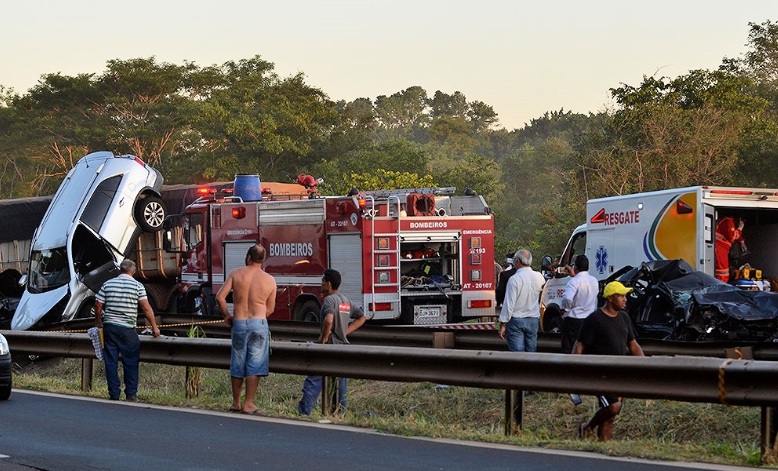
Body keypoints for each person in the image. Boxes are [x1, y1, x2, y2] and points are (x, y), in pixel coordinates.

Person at [574, 281, 644, 441]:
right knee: (613, 406)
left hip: (618, 373)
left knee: (611, 415)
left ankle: (604, 445)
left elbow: (633, 345)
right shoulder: (595, 319)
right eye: (621, 296)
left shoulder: (624, 318)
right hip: (600, 373)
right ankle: (587, 427)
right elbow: (580, 345)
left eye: (625, 296)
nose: (625, 299)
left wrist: (645, 365)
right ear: (610, 298)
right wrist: (575, 370)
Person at [216, 244, 276, 415]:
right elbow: (270, 309)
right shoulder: (270, 280)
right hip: (259, 323)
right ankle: (249, 403)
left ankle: (236, 402)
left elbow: (220, 297)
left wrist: (227, 315)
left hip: (240, 323)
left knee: (238, 360)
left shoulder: (236, 274)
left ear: (248, 257)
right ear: (262, 260)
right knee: (254, 363)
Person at [298, 268, 366, 415]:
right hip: (342, 348)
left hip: (329, 347)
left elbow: (329, 320)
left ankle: (305, 411)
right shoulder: (345, 301)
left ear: (328, 284)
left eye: (322, 281)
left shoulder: (329, 300)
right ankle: (340, 413)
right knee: (340, 383)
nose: (321, 284)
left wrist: (324, 337)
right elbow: (362, 317)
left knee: (314, 379)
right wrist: (345, 331)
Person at [94, 259, 160, 401]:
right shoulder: (138, 286)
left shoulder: (108, 284)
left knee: (110, 361)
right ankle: (130, 394)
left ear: (120, 270)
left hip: (110, 328)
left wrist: (99, 321)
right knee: (130, 361)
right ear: (134, 271)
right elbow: (146, 308)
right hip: (128, 329)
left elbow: (98, 305)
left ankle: (114, 393)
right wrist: (154, 327)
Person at [498, 249, 545, 353]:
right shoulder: (539, 277)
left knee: (517, 354)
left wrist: (503, 324)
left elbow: (509, 304)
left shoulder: (514, 279)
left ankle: (519, 369)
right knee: (531, 352)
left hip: (516, 321)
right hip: (533, 319)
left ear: (518, 261)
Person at [560, 254, 599, 354]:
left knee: (570, 347)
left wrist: (565, 309)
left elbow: (567, 298)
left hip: (574, 319)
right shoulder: (594, 280)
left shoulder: (574, 281)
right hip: (589, 318)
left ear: (575, 267)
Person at [714, 216, 746, 283]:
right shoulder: (728, 221)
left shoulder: (725, 221)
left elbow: (729, 233)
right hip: (720, 247)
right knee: (723, 273)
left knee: (721, 272)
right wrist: (740, 228)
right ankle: (720, 290)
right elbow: (732, 236)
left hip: (720, 247)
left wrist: (742, 241)